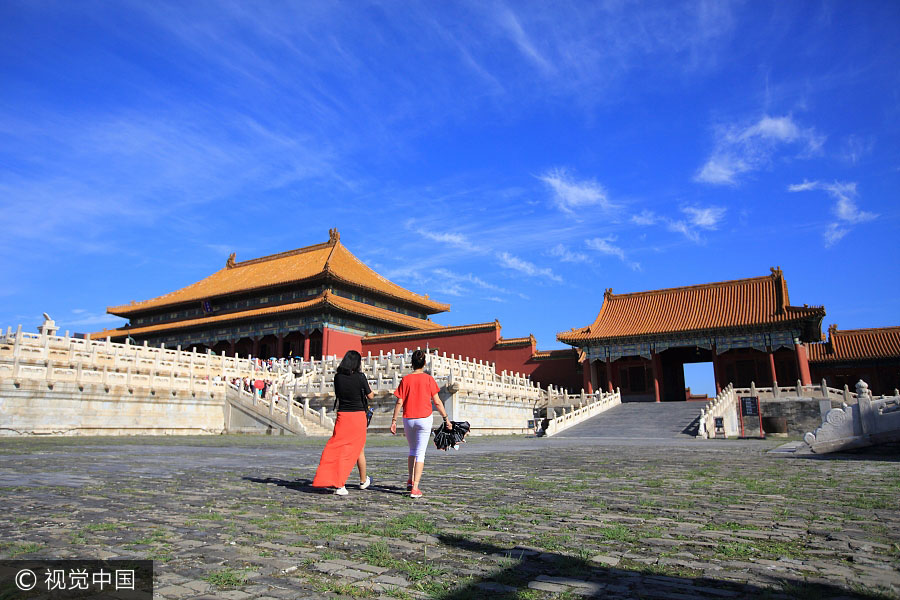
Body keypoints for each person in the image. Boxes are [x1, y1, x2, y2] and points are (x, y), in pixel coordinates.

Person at [390, 349, 451, 499]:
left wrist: (393, 421)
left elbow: (399, 401)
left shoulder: (406, 379)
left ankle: (410, 480)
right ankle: (415, 487)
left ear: (412, 363)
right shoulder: (429, 379)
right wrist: (446, 418)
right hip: (424, 418)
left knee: (412, 450)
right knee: (420, 453)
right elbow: (437, 401)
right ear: (424, 363)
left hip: (408, 419)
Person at [312, 350, 373, 496]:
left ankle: (362, 480)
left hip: (343, 415)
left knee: (340, 448)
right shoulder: (360, 377)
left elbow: (339, 395)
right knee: (354, 449)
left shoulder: (338, 377)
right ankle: (342, 484)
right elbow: (370, 396)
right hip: (358, 416)